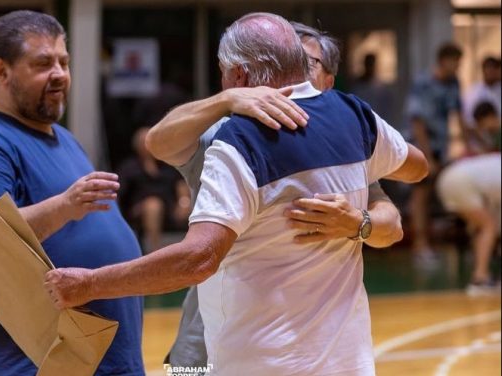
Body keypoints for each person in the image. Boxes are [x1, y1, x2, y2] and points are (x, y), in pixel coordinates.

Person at [45, 13, 428, 375]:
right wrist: (227, 101)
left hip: (260, 357)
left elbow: (198, 258)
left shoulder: (241, 140)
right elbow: (416, 166)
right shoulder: (355, 118)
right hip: (328, 356)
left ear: (239, 74)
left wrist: (90, 284)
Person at [156, 21, 406, 369]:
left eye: (308, 63)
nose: (296, 71)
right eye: (291, 59)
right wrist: (226, 99)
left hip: (290, 345)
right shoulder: (229, 135)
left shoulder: (346, 142)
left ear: (328, 82)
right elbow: (157, 141)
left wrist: (357, 222)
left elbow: (393, 224)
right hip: (206, 328)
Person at [0, 11, 143, 376]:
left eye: (64, 61)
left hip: (98, 360)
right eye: (43, 63)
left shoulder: (65, 140)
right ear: (2, 71)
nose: (60, 74)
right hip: (21, 366)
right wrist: (66, 206)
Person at [406, 42, 464, 264]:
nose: (457, 67)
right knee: (420, 195)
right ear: (443, 60)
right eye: (454, 62)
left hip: (442, 147)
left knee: (434, 196)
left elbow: (459, 116)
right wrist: (427, 156)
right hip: (421, 146)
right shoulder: (423, 83)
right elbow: (417, 121)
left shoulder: (454, 83)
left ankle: (431, 242)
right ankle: (420, 245)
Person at [117, 127, 191, 252]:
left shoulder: (168, 165)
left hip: (169, 208)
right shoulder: (129, 167)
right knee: (153, 205)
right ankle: (155, 250)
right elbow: (120, 193)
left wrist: (184, 202)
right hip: (140, 209)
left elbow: (180, 185)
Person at [436, 152, 500, 295]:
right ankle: (480, 278)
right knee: (489, 226)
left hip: (447, 177)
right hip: (461, 181)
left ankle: (481, 276)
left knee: (484, 226)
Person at [463, 56, 501, 129]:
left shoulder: (499, 89)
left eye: (494, 69)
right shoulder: (474, 92)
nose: (491, 72)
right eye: (489, 69)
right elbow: (468, 120)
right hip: (479, 134)